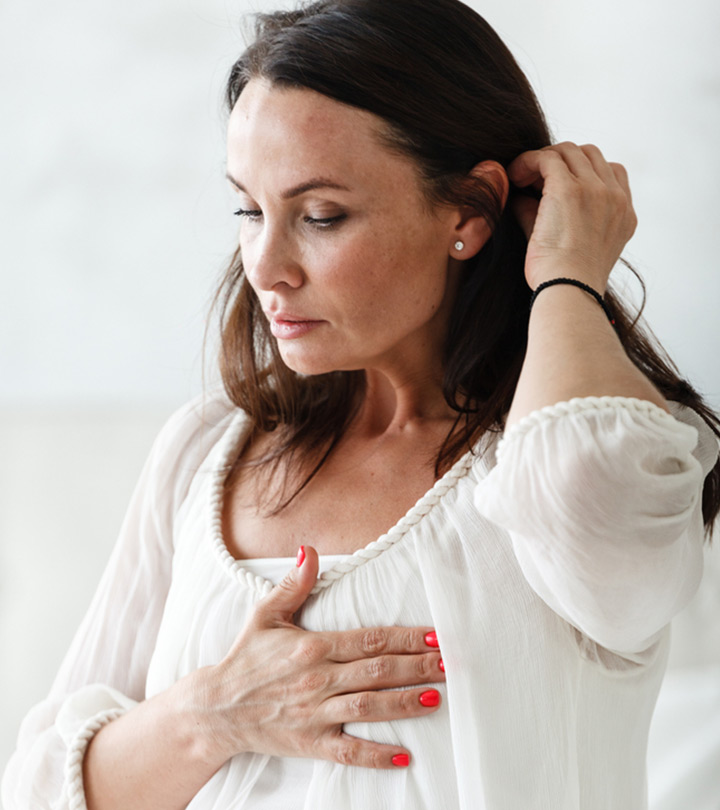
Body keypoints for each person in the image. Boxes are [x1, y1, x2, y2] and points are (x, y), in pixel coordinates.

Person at [4, 0, 720, 808]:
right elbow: (38, 791)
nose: (264, 266)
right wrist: (214, 714)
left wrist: (566, 273)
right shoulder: (202, 453)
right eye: (249, 209)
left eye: (321, 216)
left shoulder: (591, 454)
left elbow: (588, 487)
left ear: (469, 211)